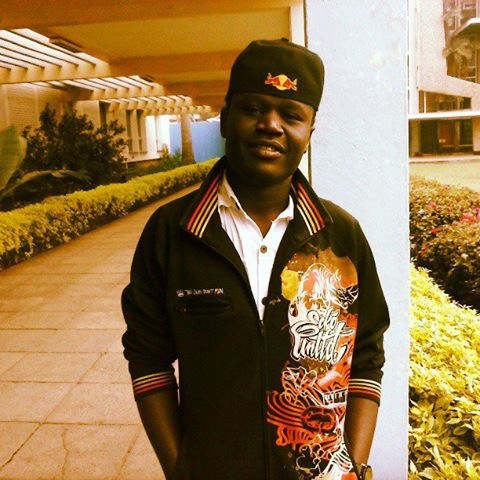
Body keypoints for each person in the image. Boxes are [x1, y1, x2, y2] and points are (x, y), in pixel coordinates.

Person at [122, 38, 389, 480]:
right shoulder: (171, 233)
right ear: (226, 118)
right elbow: (147, 358)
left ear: (310, 132)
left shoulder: (342, 238)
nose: (271, 125)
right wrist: (180, 469)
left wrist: (356, 467)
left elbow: (366, 357)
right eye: (253, 109)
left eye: (291, 115)